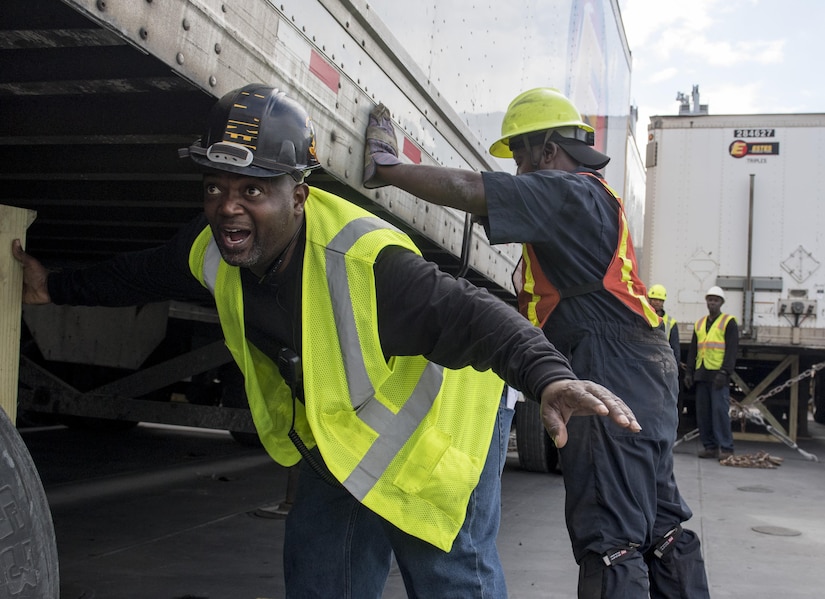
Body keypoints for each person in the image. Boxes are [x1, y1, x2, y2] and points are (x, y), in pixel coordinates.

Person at [11, 84, 642, 599]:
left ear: (300, 195)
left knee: (453, 583)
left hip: (435, 441)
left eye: (253, 191)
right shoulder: (209, 251)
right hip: (340, 442)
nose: (228, 207)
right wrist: (54, 286)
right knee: (320, 584)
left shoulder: (365, 264)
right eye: (216, 188)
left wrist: (549, 377)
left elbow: (474, 316)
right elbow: (139, 272)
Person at [363, 88, 710, 598]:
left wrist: (388, 168)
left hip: (608, 361)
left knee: (608, 535)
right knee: (661, 525)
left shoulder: (569, 191)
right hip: (638, 363)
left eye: (523, 157)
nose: (520, 172)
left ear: (549, 149)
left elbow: (470, 189)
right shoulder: (586, 204)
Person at [684, 285, 739, 459]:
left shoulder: (728, 322)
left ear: (721, 302)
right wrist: (689, 372)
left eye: (715, 300)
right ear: (706, 302)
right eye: (710, 300)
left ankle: (726, 448)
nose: (712, 303)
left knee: (720, 412)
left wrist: (725, 372)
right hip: (702, 374)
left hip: (718, 375)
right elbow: (694, 349)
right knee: (703, 413)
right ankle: (710, 447)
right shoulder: (699, 324)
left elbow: (731, 350)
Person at [647, 283, 681, 366]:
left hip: (663, 364)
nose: (657, 302)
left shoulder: (671, 322)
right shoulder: (643, 318)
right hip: (646, 362)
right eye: (654, 299)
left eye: (660, 300)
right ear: (649, 300)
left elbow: (675, 349)